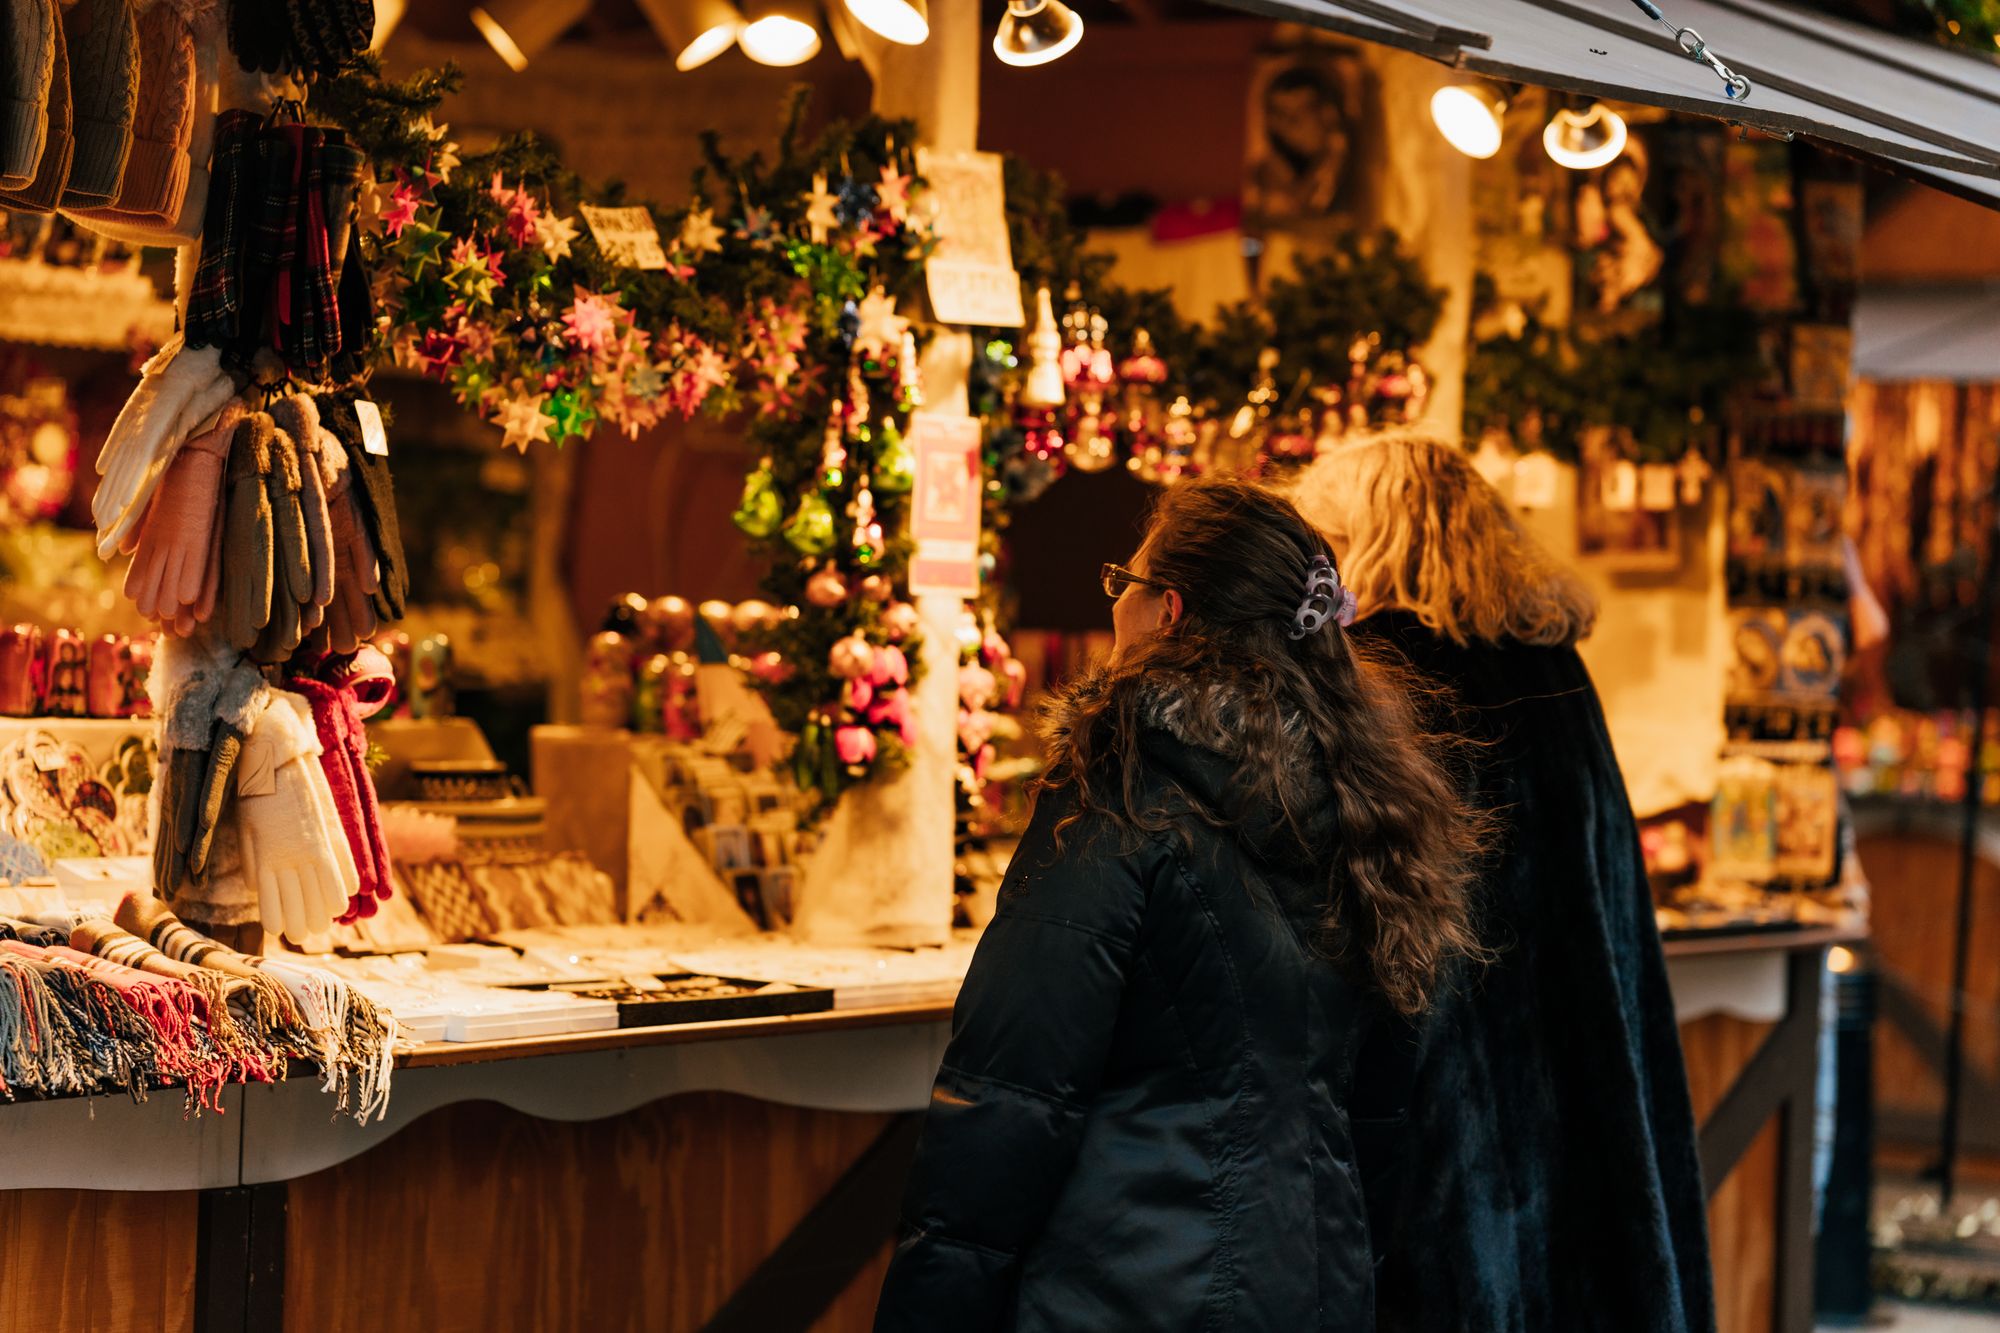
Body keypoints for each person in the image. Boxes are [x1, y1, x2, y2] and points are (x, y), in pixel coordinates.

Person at [874, 476, 1483, 1332]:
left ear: (1169, 610)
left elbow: (1015, 1095)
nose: (1113, 599)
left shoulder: (1123, 783)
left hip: (1121, 1283)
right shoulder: (1370, 803)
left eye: (1123, 580)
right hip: (1312, 1275)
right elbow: (1380, 1108)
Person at [1290, 435, 1716, 1333]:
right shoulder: (1556, 670)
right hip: (1584, 1092)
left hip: (1449, 1124)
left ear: (1363, 542)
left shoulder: (1379, 674)